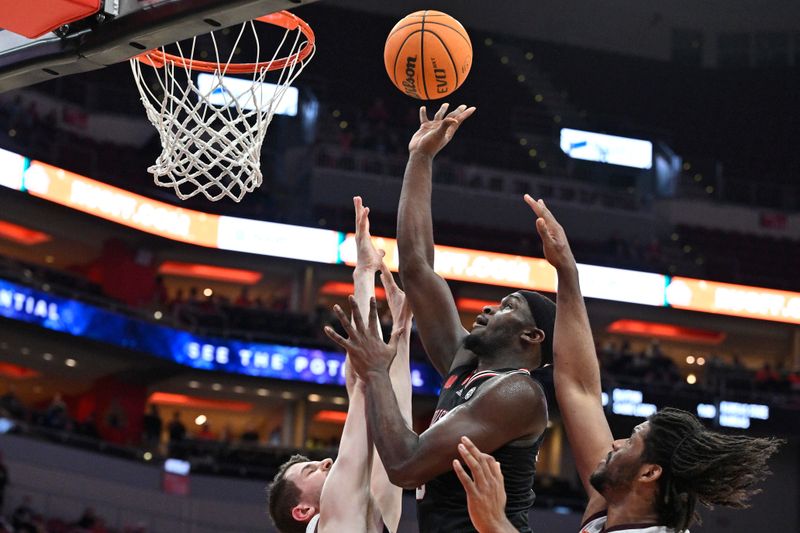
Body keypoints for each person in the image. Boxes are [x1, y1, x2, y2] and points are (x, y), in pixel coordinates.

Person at [454, 196, 784, 533]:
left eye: (631, 440)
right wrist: (567, 271)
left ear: (649, 473)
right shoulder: (615, 513)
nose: (614, 443)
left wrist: (495, 523)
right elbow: (579, 389)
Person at [325, 104, 553, 533]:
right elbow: (416, 268)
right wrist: (420, 158)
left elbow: (407, 465)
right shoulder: (467, 363)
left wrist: (376, 371)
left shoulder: (518, 392)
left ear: (532, 335)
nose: (488, 308)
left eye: (507, 307)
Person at [268, 197, 413, 533]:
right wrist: (363, 275)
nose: (326, 461)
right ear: (303, 511)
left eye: (313, 467)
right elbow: (369, 388)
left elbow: (394, 437)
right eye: (312, 471)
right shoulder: (334, 523)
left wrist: (402, 338)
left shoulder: (353, 518)